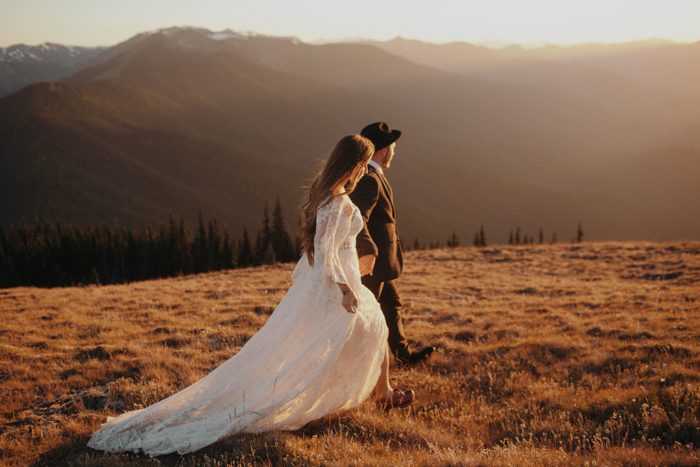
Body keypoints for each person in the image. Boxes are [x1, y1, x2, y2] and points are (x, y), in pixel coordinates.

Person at [86, 134, 414, 457]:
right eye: (362, 164)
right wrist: (344, 289)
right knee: (343, 335)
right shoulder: (336, 203)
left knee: (369, 327)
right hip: (336, 284)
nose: (363, 172)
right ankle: (338, 392)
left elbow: (332, 248)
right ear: (355, 164)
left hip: (340, 277)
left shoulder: (330, 194)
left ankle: (375, 391)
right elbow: (325, 253)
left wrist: (358, 265)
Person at [350, 122, 436, 365]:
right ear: (384, 150)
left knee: (392, 304)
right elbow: (358, 219)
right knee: (364, 316)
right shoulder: (370, 179)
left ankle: (403, 355)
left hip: (382, 264)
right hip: (373, 263)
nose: (394, 153)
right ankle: (356, 366)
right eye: (393, 148)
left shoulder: (374, 175)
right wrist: (368, 251)